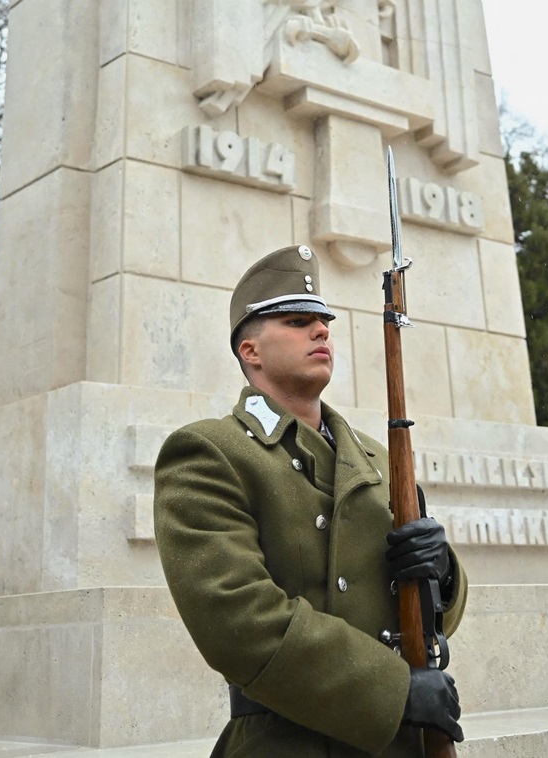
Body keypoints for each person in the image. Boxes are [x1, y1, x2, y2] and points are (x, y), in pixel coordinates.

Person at [154, 244, 467, 757]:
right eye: (298, 322)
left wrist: (443, 575)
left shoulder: (377, 456)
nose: (321, 331)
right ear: (250, 351)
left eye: (323, 322)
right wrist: (392, 692)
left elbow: (423, 620)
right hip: (287, 743)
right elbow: (237, 622)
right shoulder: (210, 453)